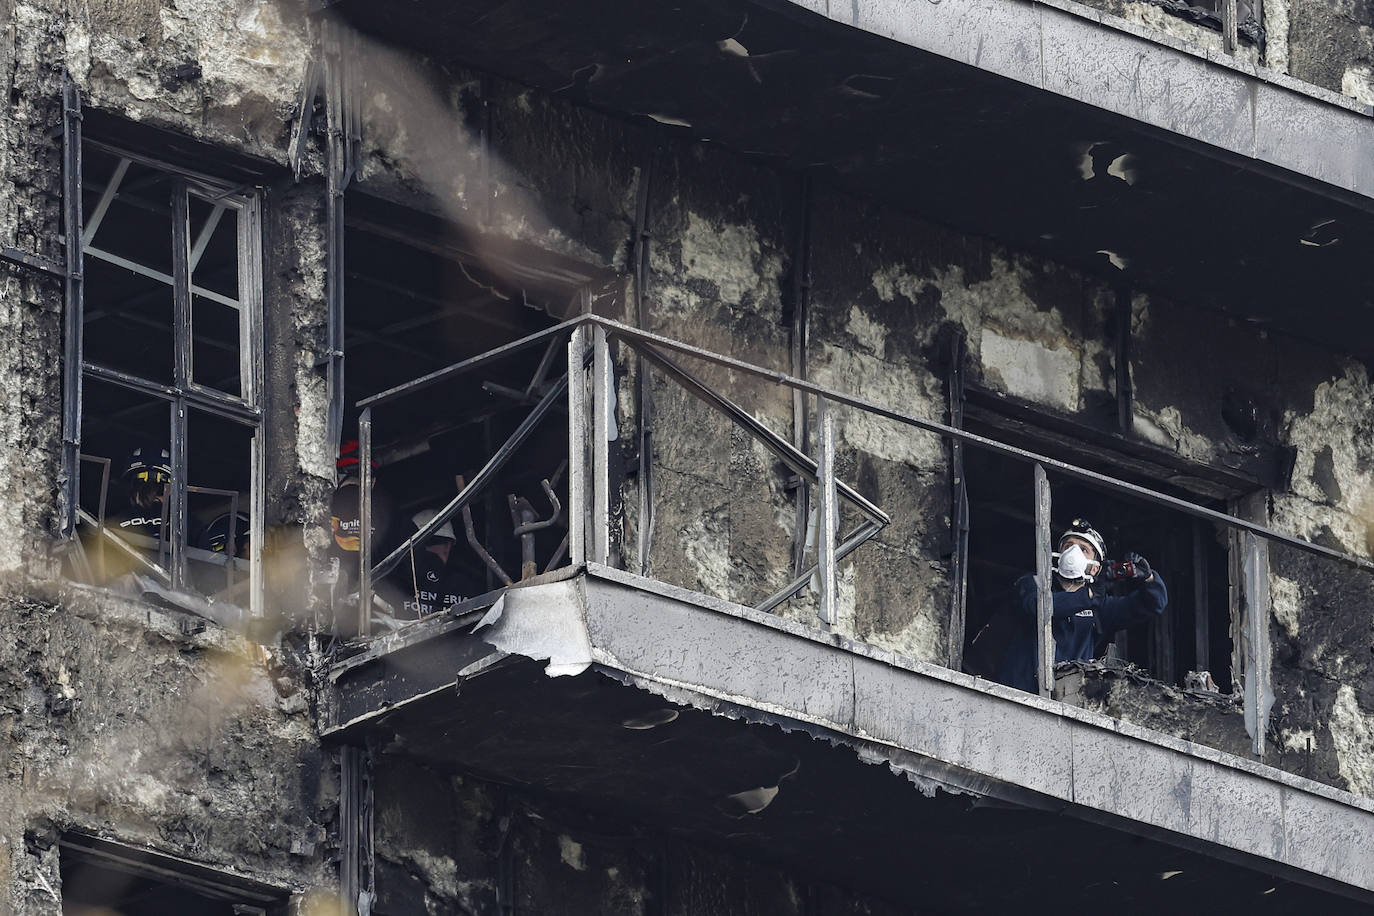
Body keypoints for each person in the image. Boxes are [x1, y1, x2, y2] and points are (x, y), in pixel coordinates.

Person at [997, 518, 1168, 693]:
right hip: (1018, 693)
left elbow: (1154, 604)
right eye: (1068, 545)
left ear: (1095, 568)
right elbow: (1041, 607)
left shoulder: (1099, 608)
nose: (1073, 552)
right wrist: (1091, 594)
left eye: (1083, 549)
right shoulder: (1033, 583)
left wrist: (1149, 579)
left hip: (1067, 702)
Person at [392, 508, 465, 619]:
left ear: (449, 547)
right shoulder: (392, 583)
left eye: (434, 541)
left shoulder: (464, 586)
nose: (423, 550)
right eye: (420, 544)